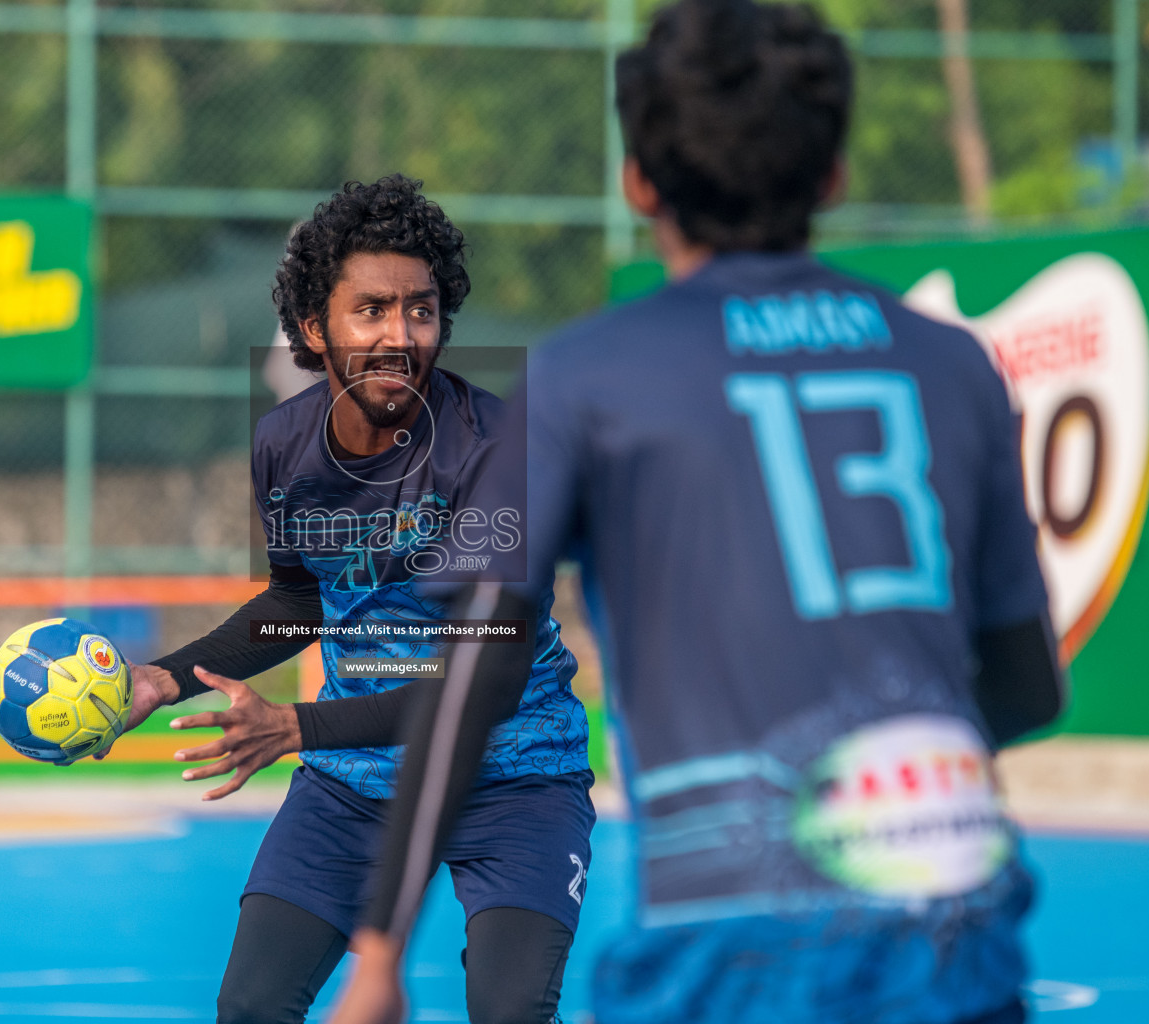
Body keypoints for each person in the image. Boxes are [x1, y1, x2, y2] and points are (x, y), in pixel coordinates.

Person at [330, 4, 1066, 1024]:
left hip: (730, 943)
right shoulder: (953, 364)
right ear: (833, 172)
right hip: (952, 933)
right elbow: (1027, 683)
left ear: (639, 181)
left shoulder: (587, 376)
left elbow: (478, 671)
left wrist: (379, 950)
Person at [102, 174, 595, 1024]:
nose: (399, 335)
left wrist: (296, 727)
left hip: (516, 775)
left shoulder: (494, 451)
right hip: (353, 780)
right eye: (370, 310)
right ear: (312, 327)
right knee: (251, 1006)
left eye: (420, 309)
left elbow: (488, 686)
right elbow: (296, 604)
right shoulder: (283, 447)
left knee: (510, 1013)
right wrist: (162, 679)